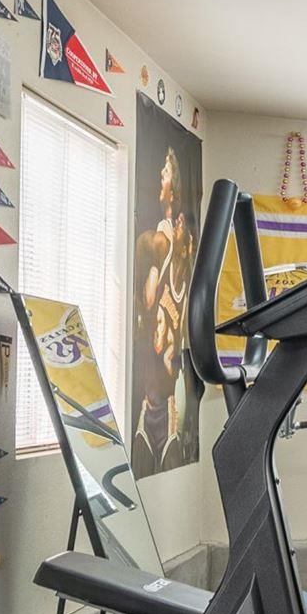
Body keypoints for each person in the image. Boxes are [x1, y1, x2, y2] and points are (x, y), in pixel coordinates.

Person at [133, 142, 198, 469]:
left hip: (170, 405)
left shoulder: (166, 246)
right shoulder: (167, 243)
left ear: (174, 191)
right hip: (155, 404)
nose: (160, 177)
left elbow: (149, 305)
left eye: (166, 173)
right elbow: (147, 307)